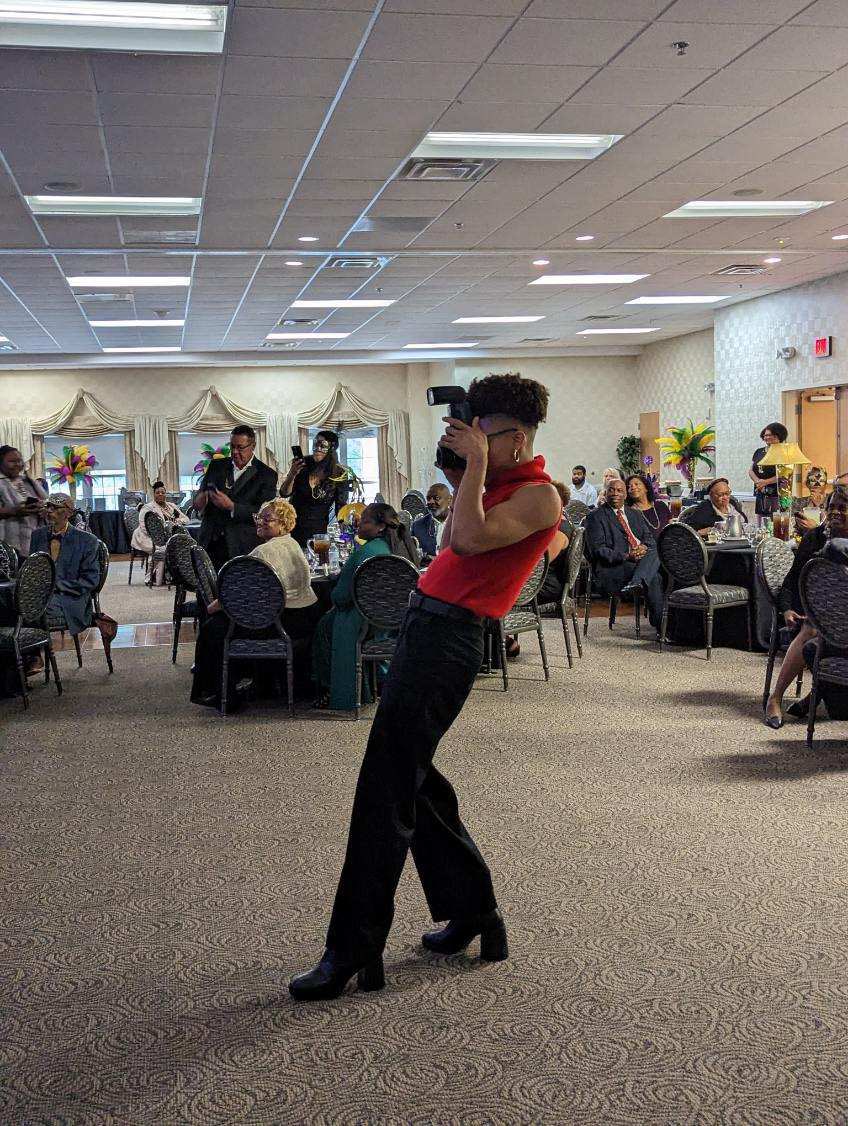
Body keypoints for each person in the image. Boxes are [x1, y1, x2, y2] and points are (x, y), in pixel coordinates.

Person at [289, 372, 561, 1002]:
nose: (465, 443)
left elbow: (464, 539)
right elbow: (450, 538)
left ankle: (353, 949)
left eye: (480, 433)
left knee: (383, 787)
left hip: (451, 643)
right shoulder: (493, 483)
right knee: (416, 781)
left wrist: (473, 471)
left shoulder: (540, 496)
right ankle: (474, 912)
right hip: (422, 629)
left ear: (516, 439)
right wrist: (475, 466)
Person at [191, 499, 320, 710]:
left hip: (279, 623)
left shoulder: (263, 552)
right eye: (259, 517)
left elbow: (236, 594)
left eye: (267, 519)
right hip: (303, 618)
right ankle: (261, 684)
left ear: (284, 524)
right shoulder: (293, 543)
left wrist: (214, 606)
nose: (260, 522)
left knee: (214, 627)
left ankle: (219, 693)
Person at [311, 503, 418, 711]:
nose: (359, 523)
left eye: (366, 520)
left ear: (380, 527)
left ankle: (330, 689)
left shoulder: (365, 552)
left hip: (365, 622)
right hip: (398, 622)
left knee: (324, 625)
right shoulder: (402, 549)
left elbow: (341, 596)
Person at [763, 489, 848, 728]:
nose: (835, 512)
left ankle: (814, 697)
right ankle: (775, 698)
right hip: (808, 610)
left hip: (843, 615)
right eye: (831, 507)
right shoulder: (815, 538)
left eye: (842, 508)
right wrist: (786, 610)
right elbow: (791, 581)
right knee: (811, 631)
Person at [194, 425, 277, 571]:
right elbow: (200, 498)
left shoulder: (267, 474)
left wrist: (232, 507)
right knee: (206, 592)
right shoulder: (216, 466)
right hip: (209, 542)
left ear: (253, 446)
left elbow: (263, 513)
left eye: (240, 447)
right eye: (232, 446)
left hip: (241, 545)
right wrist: (200, 501)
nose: (234, 452)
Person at [584, 477, 663, 628]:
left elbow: (649, 540)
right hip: (615, 566)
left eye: (620, 490)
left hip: (642, 560)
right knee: (655, 577)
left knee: (662, 556)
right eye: (611, 490)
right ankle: (662, 627)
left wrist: (643, 548)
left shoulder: (635, 514)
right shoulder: (595, 517)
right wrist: (628, 555)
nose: (615, 493)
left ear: (626, 495)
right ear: (605, 493)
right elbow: (599, 550)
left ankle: (639, 581)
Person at [30, 493, 100, 639]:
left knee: (30, 610)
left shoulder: (87, 540)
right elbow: (32, 570)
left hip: (71, 599)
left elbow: (91, 580)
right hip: (39, 596)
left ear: (69, 512)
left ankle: (33, 656)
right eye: (48, 506)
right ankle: (29, 656)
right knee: (11, 605)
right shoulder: (37, 535)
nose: (49, 510)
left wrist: (56, 586)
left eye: (55, 507)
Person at [279, 430, 351, 549]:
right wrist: (292, 474)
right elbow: (284, 493)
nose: (317, 448)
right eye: (315, 444)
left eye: (322, 445)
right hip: (293, 526)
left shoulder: (339, 474)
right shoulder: (303, 465)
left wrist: (347, 532)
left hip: (319, 530)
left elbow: (341, 506)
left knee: (319, 563)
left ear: (331, 449)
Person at [134, 480, 190, 586]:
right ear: (154, 494)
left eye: (163, 492)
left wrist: (177, 522)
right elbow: (144, 527)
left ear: (165, 494)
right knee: (165, 547)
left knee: (180, 543)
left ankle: (180, 574)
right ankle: (157, 576)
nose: (160, 494)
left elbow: (186, 518)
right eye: (158, 492)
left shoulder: (171, 506)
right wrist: (162, 533)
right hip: (148, 537)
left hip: (169, 535)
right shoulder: (148, 508)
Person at [0, 445, 46, 557]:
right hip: (7, 548)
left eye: (19, 461)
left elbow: (44, 500)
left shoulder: (28, 481)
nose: (18, 464)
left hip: (32, 544)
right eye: (12, 461)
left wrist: (42, 509)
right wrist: (14, 511)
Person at [537, 480, 574, 606]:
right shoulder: (553, 523)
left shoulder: (560, 530)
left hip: (546, 586)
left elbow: (542, 562)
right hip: (539, 581)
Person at [681, 478, 747, 536]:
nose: (725, 497)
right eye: (720, 494)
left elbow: (744, 521)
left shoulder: (732, 503)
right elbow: (689, 528)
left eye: (727, 493)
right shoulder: (705, 508)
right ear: (711, 495)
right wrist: (707, 531)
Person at [749, 421, 786, 522]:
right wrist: (758, 482)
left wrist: (765, 482)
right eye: (765, 435)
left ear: (779, 435)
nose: (767, 437)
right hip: (760, 490)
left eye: (770, 435)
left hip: (776, 493)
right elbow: (751, 470)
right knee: (761, 521)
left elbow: (783, 474)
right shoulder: (759, 451)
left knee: (776, 521)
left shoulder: (784, 452)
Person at [411, 484, 451, 563]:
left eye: (436, 498)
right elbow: (413, 556)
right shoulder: (418, 526)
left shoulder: (460, 524)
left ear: (449, 500)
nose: (431, 502)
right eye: (428, 498)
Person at [791, 466, 829, 536]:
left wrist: (819, 506)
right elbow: (793, 528)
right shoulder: (799, 503)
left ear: (826, 485)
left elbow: (832, 528)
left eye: (821, 481)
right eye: (813, 480)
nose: (817, 484)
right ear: (808, 484)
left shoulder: (832, 501)